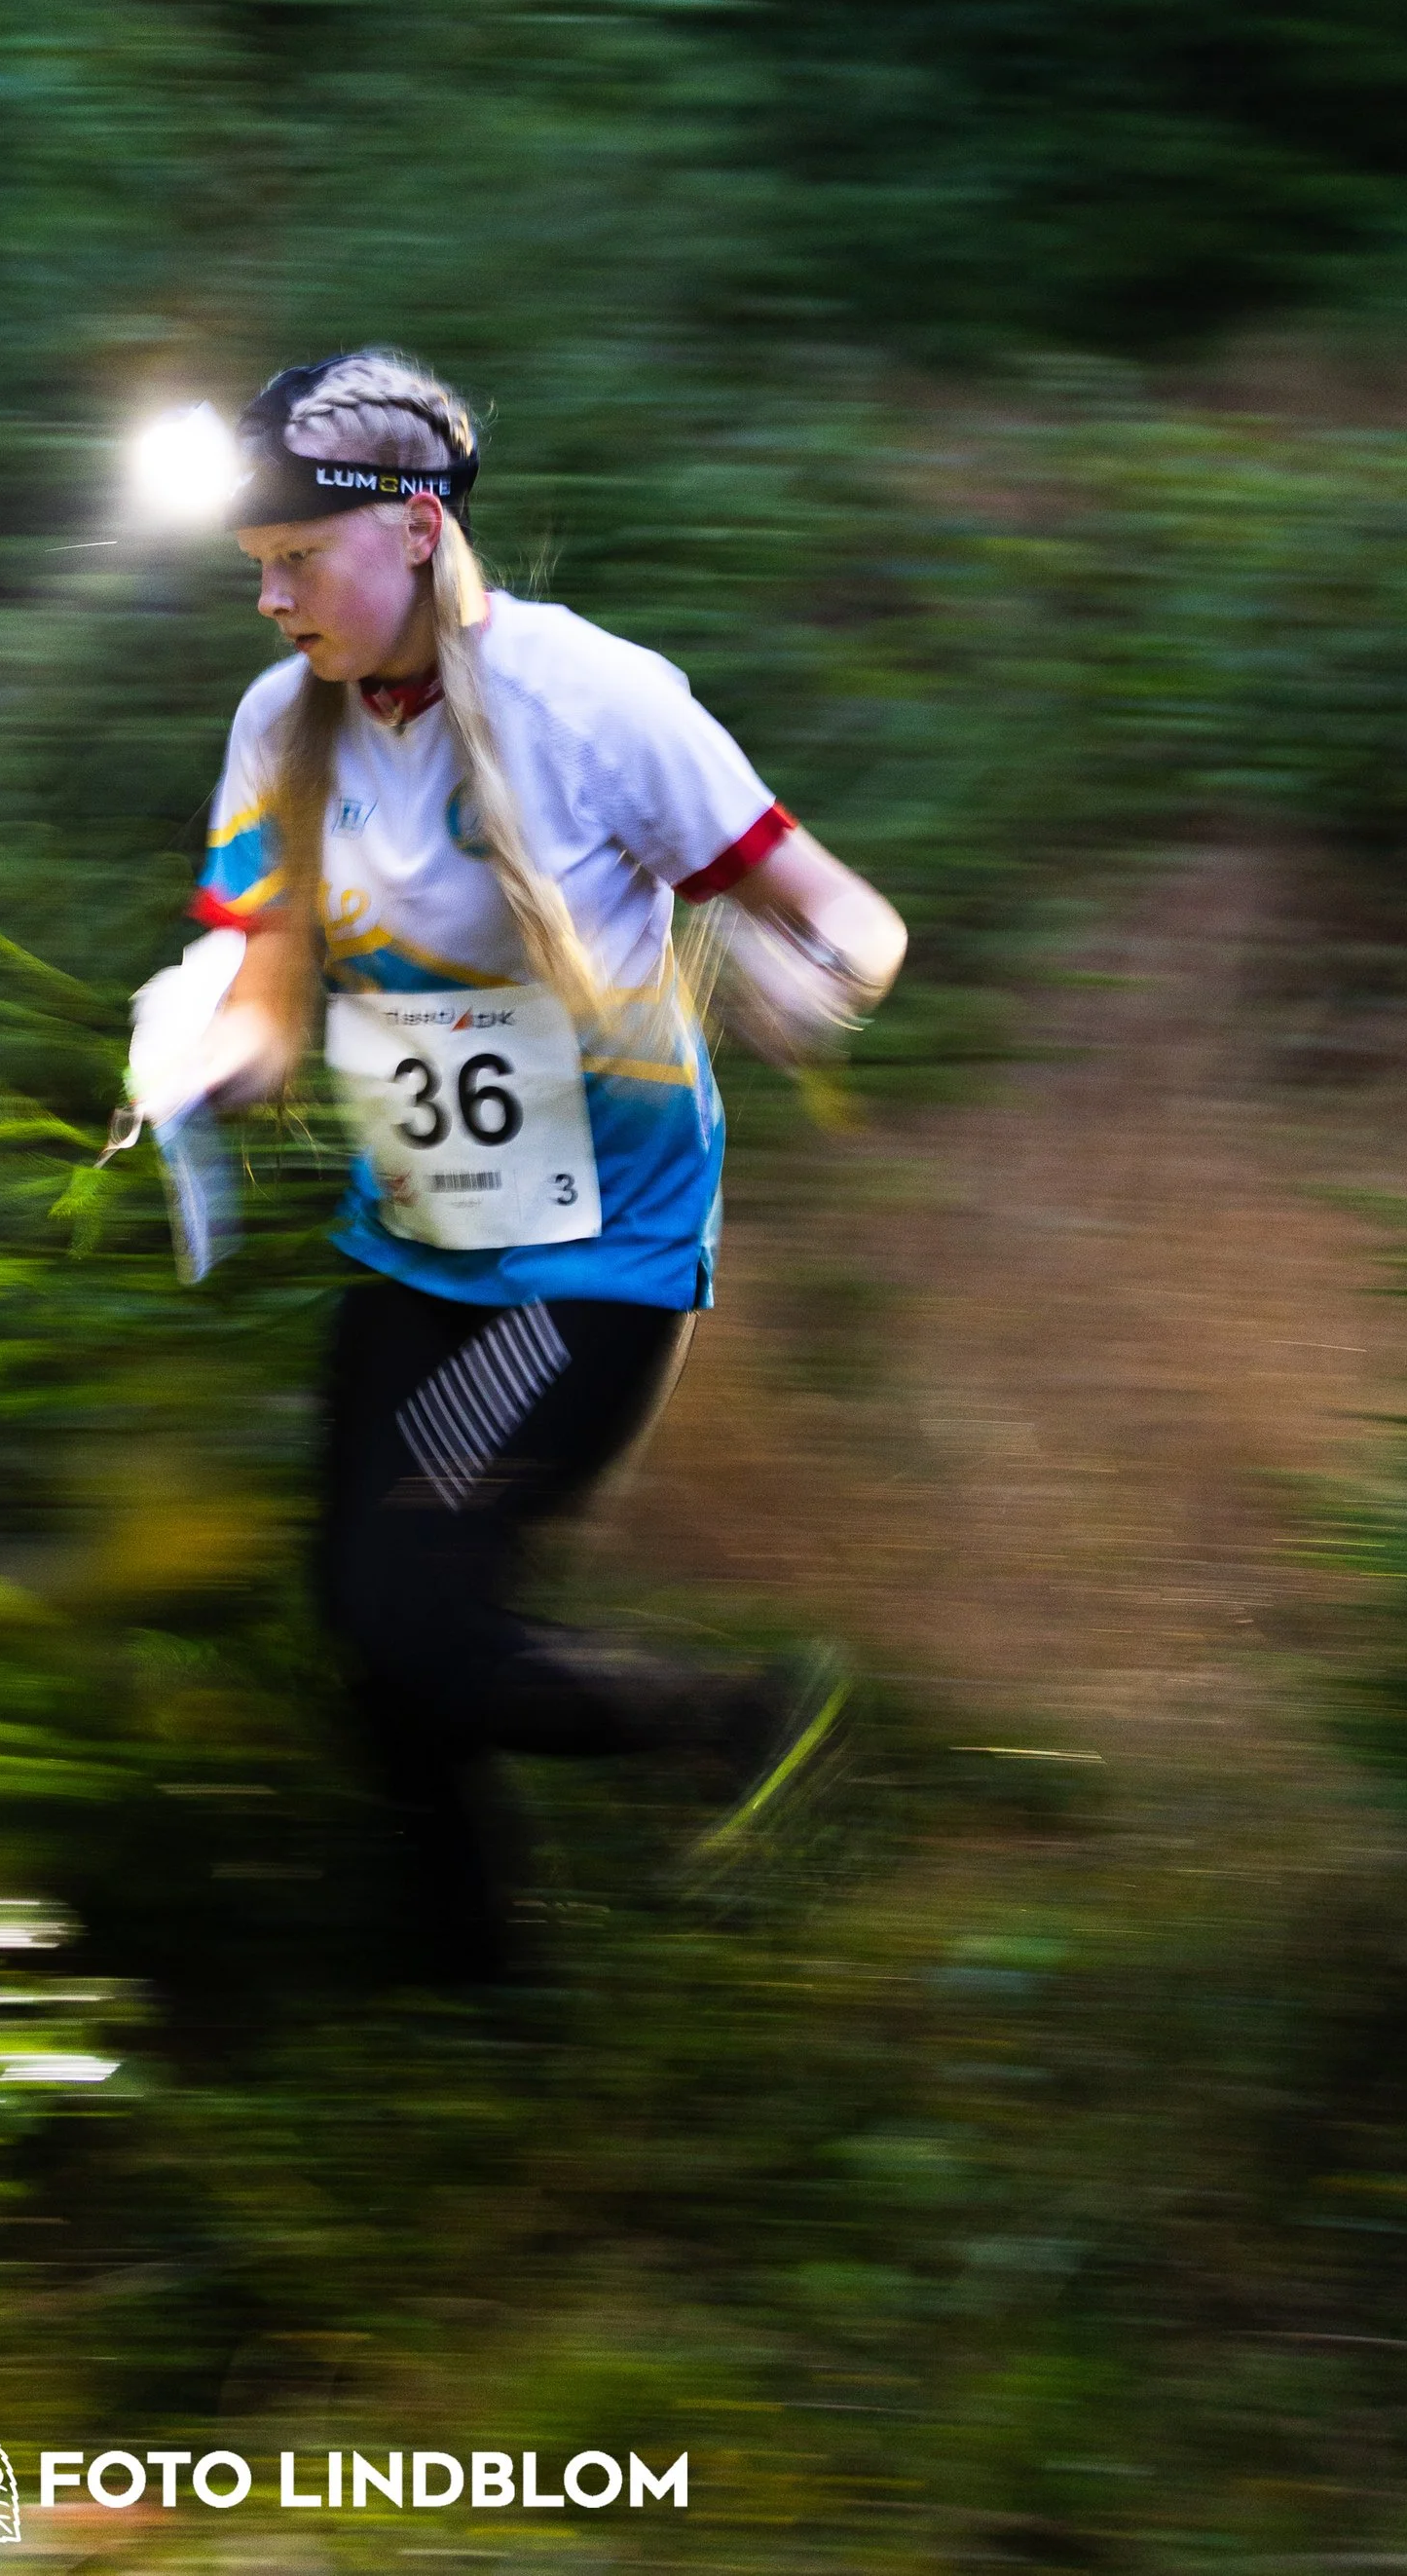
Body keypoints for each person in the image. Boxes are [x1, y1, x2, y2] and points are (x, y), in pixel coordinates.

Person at [154, 351, 906, 1987]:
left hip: (597, 1260)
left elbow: (853, 917)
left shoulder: (601, 700)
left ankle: (739, 1723)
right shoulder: (280, 726)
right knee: (375, 1659)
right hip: (417, 1243)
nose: (273, 602)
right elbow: (270, 1006)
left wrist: (813, 983)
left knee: (411, 1623)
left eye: (299, 560)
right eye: (254, 569)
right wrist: (202, 1065)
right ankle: (480, 2027)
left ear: (416, 529)